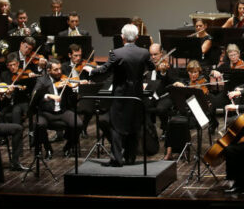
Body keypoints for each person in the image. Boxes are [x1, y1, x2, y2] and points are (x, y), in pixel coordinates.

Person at [84, 24, 154, 166]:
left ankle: (117, 158)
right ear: (137, 37)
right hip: (136, 94)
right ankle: (130, 158)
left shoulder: (116, 53)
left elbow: (105, 69)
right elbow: (152, 66)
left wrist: (91, 71)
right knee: (134, 124)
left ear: (122, 37)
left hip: (120, 95)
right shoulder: (144, 53)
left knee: (116, 125)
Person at [33, 58, 80, 158]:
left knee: (78, 124)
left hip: (62, 111)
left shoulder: (65, 79)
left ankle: (68, 147)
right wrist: (51, 93)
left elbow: (73, 101)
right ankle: (48, 148)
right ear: (48, 70)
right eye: (56, 70)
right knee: (39, 125)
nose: (59, 72)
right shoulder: (42, 80)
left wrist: (72, 89)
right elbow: (36, 94)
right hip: (46, 112)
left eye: (60, 69)